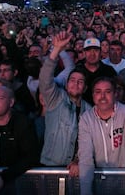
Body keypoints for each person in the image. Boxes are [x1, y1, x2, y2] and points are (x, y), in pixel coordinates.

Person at [38, 29, 91, 175]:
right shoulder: (56, 98)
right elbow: (45, 79)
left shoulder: (90, 110)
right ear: (66, 85)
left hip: (75, 168)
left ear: (85, 88)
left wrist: (78, 159)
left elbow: (89, 141)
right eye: (72, 81)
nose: (75, 84)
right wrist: (56, 50)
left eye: (80, 82)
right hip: (49, 165)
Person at [76, 38, 117, 106]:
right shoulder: (77, 71)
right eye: (89, 50)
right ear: (84, 52)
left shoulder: (109, 71)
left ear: (100, 52)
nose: (92, 54)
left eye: (96, 50)